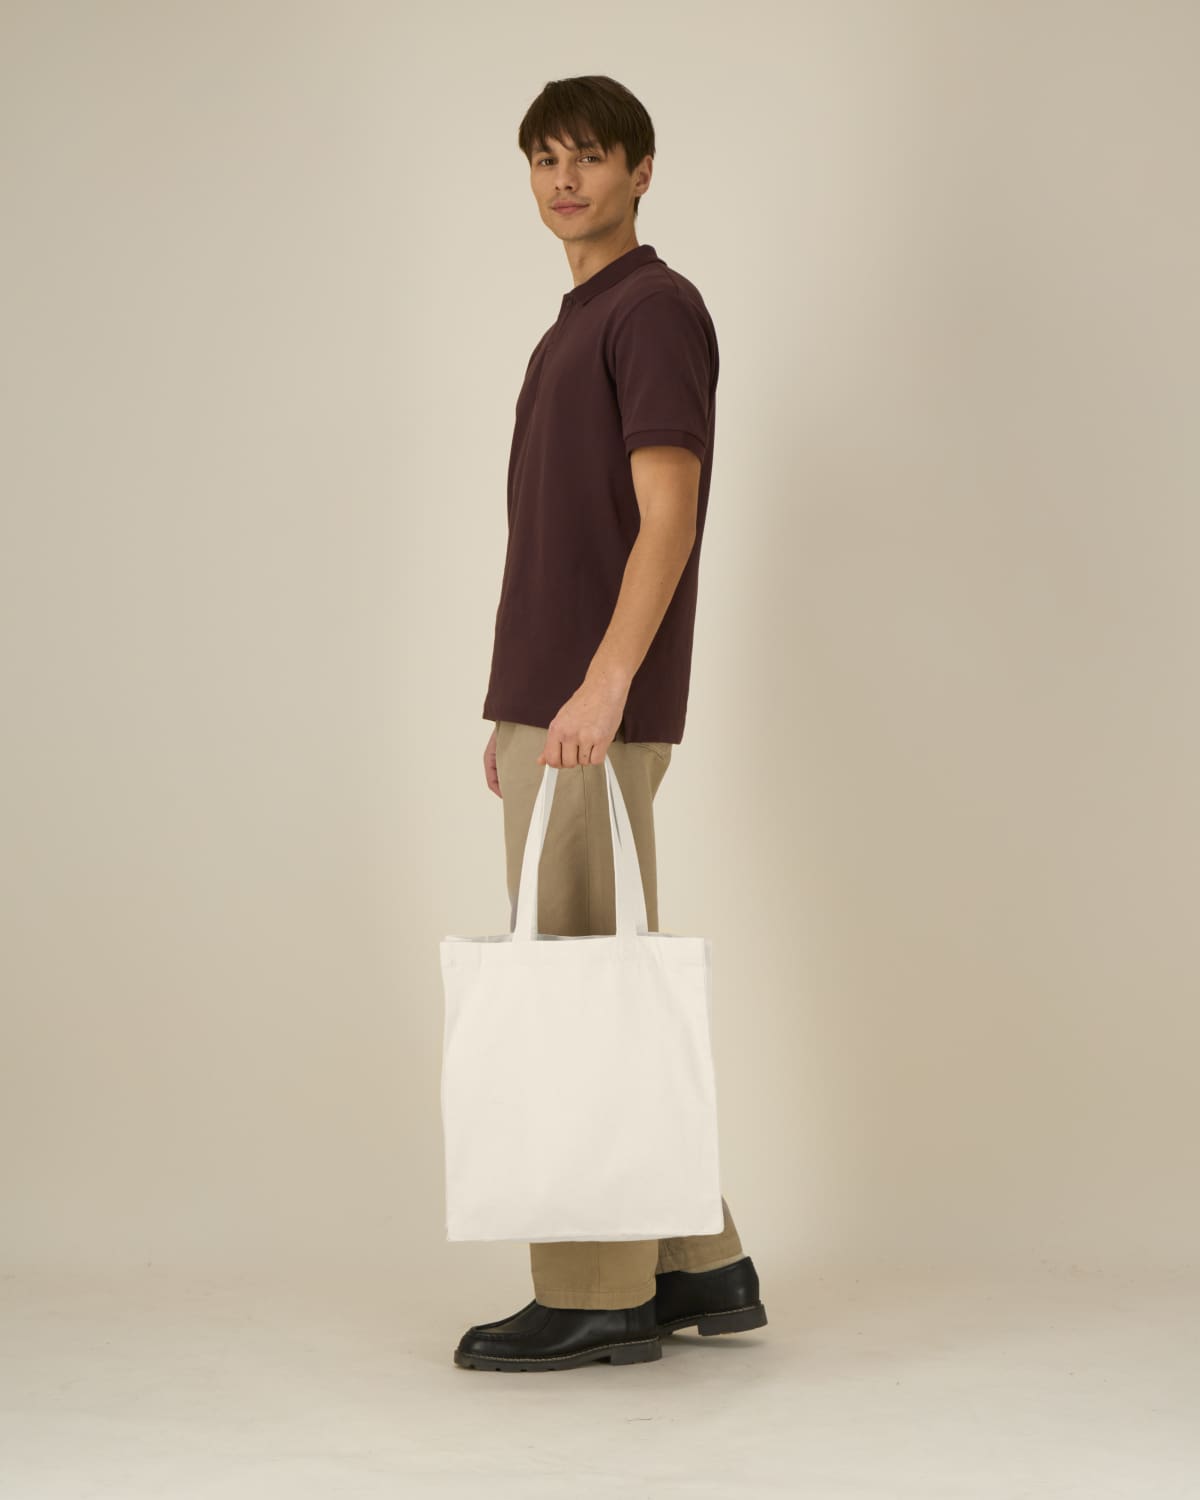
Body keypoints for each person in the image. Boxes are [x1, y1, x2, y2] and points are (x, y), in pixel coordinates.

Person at [454, 74, 767, 1373]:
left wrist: (597, 687)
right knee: (597, 977)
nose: (565, 180)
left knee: (576, 986)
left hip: (591, 704)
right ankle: (702, 1262)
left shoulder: (652, 309)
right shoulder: (578, 320)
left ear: (643, 170)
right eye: (544, 159)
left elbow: (668, 517)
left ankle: (595, 1291)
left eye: (589, 156)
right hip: (555, 706)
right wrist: (518, 710)